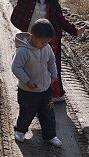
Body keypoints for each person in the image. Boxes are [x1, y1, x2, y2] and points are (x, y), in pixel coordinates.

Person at [10, 0, 85, 102]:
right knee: (29, 64)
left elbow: (60, 19)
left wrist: (75, 31)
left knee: (52, 65)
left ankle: (55, 95)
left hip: (50, 38)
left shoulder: (52, 0)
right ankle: (30, 89)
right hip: (31, 37)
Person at [11, 18, 62, 146]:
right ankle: (20, 131)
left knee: (48, 113)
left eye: (47, 42)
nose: (45, 44)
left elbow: (51, 61)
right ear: (33, 37)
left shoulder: (46, 48)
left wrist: (54, 74)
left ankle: (50, 135)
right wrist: (27, 80)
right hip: (28, 91)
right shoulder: (23, 51)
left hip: (45, 88)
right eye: (43, 42)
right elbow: (16, 67)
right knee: (27, 112)